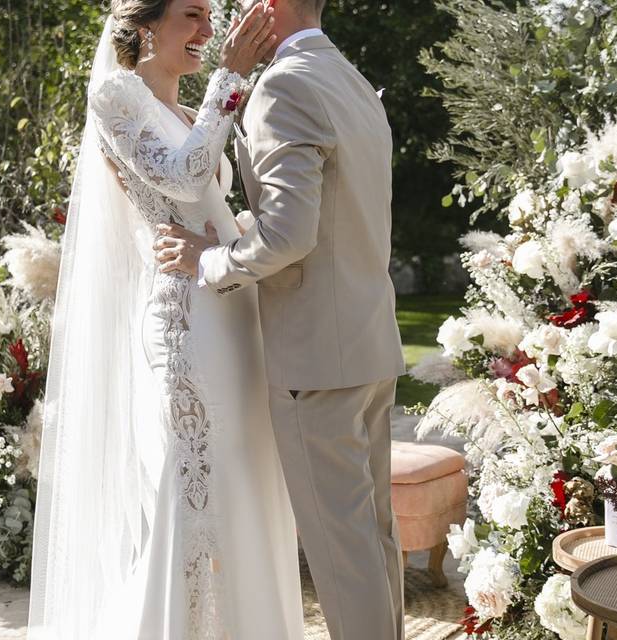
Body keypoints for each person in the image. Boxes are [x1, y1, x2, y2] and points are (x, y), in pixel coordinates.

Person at [27, 1, 306, 638]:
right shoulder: (115, 95)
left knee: (245, 481)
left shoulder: (188, 110)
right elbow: (182, 178)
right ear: (147, 24)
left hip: (232, 311)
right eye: (192, 15)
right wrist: (231, 77)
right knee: (190, 487)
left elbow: (213, 202)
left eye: (210, 18)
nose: (209, 32)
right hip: (186, 322)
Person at [154, 0, 408, 638]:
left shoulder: (283, 87)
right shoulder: (349, 80)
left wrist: (209, 260)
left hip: (316, 360)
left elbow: (290, 235)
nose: (230, 15)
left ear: (269, 7)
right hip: (369, 344)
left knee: (344, 559)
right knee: (373, 543)